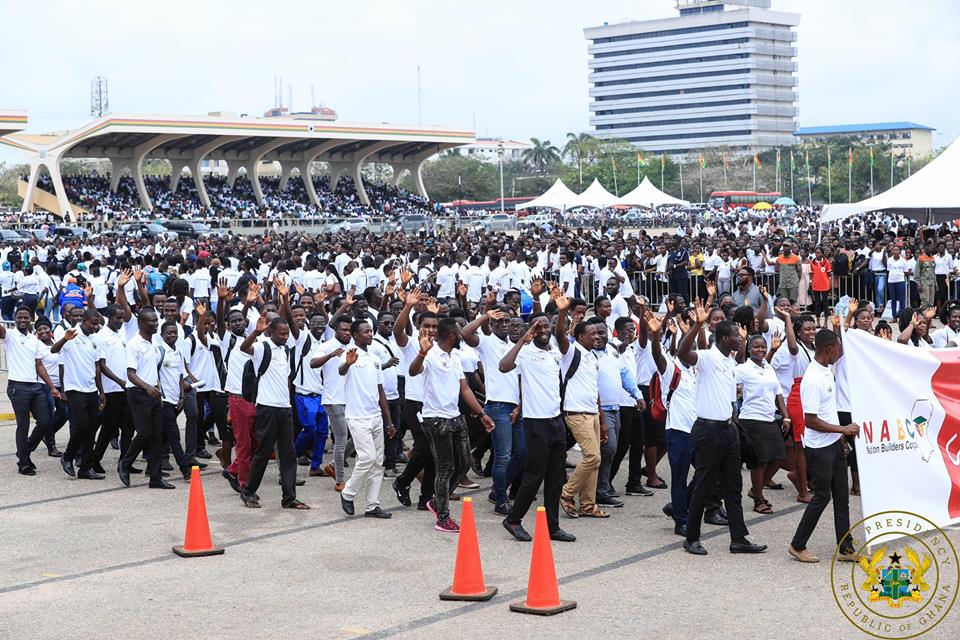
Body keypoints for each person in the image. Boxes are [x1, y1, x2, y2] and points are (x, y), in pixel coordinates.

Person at [676, 300, 765, 556]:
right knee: (704, 484)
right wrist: (697, 325)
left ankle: (739, 538)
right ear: (725, 339)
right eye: (736, 335)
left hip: (728, 429)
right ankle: (691, 537)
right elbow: (683, 353)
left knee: (733, 486)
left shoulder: (730, 361)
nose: (740, 338)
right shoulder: (707, 357)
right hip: (708, 430)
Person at [408, 317, 493, 532]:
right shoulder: (431, 353)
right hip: (436, 419)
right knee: (444, 469)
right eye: (459, 332)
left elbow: (464, 388)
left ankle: (437, 500)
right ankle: (442, 517)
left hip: (455, 416)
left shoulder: (455, 355)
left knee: (464, 463)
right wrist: (422, 353)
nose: (463, 336)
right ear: (452, 336)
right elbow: (413, 371)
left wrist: (481, 413)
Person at [499, 310, 576, 543]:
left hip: (555, 420)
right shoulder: (525, 352)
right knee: (534, 476)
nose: (543, 330)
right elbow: (503, 366)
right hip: (536, 423)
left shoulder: (555, 351)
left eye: (545, 326)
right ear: (530, 329)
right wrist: (523, 340)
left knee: (556, 477)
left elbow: (561, 334)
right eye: (537, 327)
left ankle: (552, 526)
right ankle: (513, 519)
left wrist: (562, 312)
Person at [788, 329, 861, 564]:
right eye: (838, 349)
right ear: (829, 349)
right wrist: (843, 430)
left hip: (834, 443)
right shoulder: (813, 379)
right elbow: (811, 421)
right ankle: (797, 545)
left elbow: (828, 411)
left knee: (842, 496)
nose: (839, 353)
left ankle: (845, 547)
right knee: (822, 496)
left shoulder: (827, 370)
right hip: (819, 448)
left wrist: (840, 439)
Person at [239, 310, 309, 510]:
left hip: (284, 408)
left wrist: (287, 402)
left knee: (288, 455)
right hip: (267, 408)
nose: (285, 337)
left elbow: (286, 379)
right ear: (271, 332)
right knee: (263, 453)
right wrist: (255, 332)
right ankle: (248, 491)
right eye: (281, 334)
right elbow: (244, 348)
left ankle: (289, 498)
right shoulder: (262, 347)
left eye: (287, 334)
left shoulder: (286, 351)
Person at [460, 305, 525, 516]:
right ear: (492, 324)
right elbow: (465, 333)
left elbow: (520, 379)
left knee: (522, 454)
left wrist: (521, 405)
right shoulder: (487, 342)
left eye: (507, 321)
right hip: (497, 405)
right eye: (499, 322)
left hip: (516, 407)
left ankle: (498, 491)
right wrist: (484, 317)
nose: (505, 325)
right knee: (503, 456)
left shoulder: (515, 347)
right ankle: (501, 501)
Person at [557, 294, 610, 520]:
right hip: (576, 413)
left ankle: (588, 505)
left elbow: (595, 391)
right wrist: (562, 312)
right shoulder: (572, 352)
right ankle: (566, 493)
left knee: (594, 462)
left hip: (592, 414)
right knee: (593, 457)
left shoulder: (592, 357)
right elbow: (560, 336)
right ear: (580, 337)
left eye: (598, 333)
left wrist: (602, 421)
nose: (597, 337)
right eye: (592, 334)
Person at [338, 319, 395, 519]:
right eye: (365, 332)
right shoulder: (350, 354)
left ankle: (372, 505)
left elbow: (380, 390)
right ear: (355, 335)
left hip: (375, 416)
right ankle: (348, 492)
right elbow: (341, 370)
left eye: (371, 331)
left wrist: (388, 421)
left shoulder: (374, 358)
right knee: (367, 457)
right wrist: (348, 363)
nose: (370, 334)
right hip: (357, 416)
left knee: (378, 462)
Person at [734, 334, 788, 514]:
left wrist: (786, 417)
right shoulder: (743, 369)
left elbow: (778, 393)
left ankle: (755, 490)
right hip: (752, 419)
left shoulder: (768, 366)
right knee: (759, 462)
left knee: (778, 458)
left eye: (763, 346)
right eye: (756, 347)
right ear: (749, 349)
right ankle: (758, 499)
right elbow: (727, 382)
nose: (760, 350)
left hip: (769, 418)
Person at [118, 307, 170, 489]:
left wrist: (156, 387)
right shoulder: (134, 344)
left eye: (156, 320)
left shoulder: (154, 342)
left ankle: (155, 478)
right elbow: (130, 374)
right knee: (144, 433)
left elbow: (153, 369)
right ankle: (125, 463)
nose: (156, 324)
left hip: (154, 393)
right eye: (152, 321)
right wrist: (147, 387)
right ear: (141, 323)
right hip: (139, 394)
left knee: (157, 436)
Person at [52, 307, 106, 479]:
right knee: (82, 425)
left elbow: (97, 367)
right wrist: (64, 339)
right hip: (74, 388)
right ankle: (68, 457)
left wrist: (101, 391)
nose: (95, 327)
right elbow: (54, 350)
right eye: (92, 324)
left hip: (91, 389)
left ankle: (85, 468)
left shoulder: (95, 338)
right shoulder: (72, 334)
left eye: (97, 324)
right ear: (84, 321)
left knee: (91, 430)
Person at [2, 305, 56, 475]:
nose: (23, 320)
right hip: (17, 387)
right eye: (19, 317)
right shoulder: (10, 335)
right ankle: (23, 464)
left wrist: (52, 387)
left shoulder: (34, 340)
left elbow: (39, 365)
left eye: (26, 317)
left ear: (31, 319)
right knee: (23, 425)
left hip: (35, 386)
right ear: (15, 319)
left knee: (46, 422)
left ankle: (24, 451)